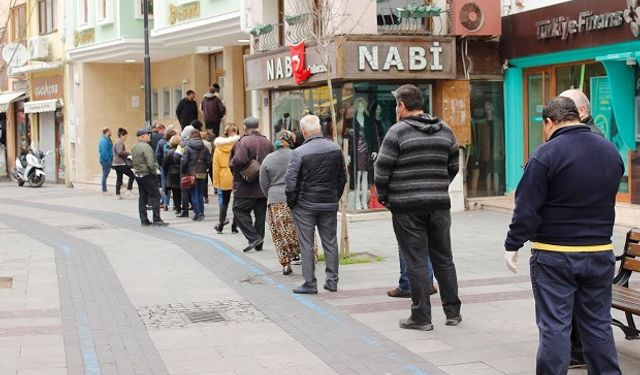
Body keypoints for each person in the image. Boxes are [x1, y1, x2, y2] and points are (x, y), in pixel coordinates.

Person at [504, 97, 623, 375]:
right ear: (577, 116)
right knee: (598, 325)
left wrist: (512, 244)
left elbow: (526, 208)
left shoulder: (546, 154)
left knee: (555, 327)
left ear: (549, 122)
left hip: (554, 255)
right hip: (599, 252)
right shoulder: (609, 151)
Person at [374, 84, 461, 331]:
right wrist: (438, 185)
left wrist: (385, 197)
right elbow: (454, 164)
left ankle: (421, 317)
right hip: (439, 204)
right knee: (444, 259)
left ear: (402, 106)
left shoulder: (397, 132)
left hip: (406, 206)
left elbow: (382, 169)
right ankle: (453, 312)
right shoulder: (445, 130)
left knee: (416, 261)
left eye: (396, 105)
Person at [559, 88, 602, 369]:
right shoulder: (584, 138)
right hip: (585, 233)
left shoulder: (590, 140)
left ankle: (580, 351)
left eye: (566, 111)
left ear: (582, 111)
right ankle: (579, 350)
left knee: (580, 300)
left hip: (583, 236)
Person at [285, 114, 347, 294]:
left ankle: (310, 283)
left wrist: (292, 202)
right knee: (330, 242)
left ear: (304, 132)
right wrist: (334, 197)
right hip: (328, 203)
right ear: (319, 129)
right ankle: (332, 281)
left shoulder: (299, 153)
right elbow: (342, 177)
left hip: (305, 205)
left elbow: (290, 182)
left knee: (306, 243)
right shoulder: (335, 149)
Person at [260, 130, 302, 275]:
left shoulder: (268, 159)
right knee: (299, 228)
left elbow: (263, 182)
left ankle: (285, 263)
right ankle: (302, 254)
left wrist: (270, 195)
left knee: (278, 233)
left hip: (275, 200)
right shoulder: (297, 155)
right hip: (296, 198)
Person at [230, 117, 274, 252]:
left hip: (246, 186)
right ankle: (258, 242)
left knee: (239, 210)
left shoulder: (244, 141)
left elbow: (239, 160)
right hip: (263, 185)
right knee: (260, 215)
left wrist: (231, 164)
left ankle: (254, 237)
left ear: (245, 127)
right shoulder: (267, 141)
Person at [131, 128, 168, 227]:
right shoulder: (146, 147)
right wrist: (154, 172)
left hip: (139, 174)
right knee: (156, 196)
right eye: (148, 135)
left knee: (142, 197)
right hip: (148, 175)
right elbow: (150, 162)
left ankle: (144, 220)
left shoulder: (134, 147)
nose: (149, 136)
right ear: (143, 136)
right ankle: (157, 219)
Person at [213, 123, 240, 234]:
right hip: (236, 174)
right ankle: (234, 227)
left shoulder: (219, 146)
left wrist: (216, 182)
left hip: (224, 174)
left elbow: (215, 166)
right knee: (237, 202)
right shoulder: (239, 144)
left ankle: (221, 224)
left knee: (224, 202)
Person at [181, 130, 211, 221]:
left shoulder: (187, 147)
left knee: (194, 192)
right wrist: (205, 168)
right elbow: (209, 161)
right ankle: (201, 212)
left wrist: (183, 171)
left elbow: (184, 161)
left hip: (191, 173)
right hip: (202, 173)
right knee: (200, 192)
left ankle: (197, 213)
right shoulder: (205, 148)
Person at [112, 128, 135, 199]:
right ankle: (129, 189)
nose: (126, 138)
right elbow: (120, 152)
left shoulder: (116, 142)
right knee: (132, 175)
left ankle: (118, 193)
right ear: (121, 135)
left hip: (116, 163)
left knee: (119, 178)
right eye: (125, 136)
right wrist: (128, 153)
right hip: (120, 163)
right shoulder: (119, 142)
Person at [163, 135, 182, 214]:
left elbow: (165, 164)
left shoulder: (169, 152)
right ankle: (183, 206)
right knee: (182, 191)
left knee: (175, 192)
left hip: (171, 174)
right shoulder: (182, 151)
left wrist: (166, 172)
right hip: (181, 173)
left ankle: (177, 208)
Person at [98, 127, 113, 195]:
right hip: (105, 161)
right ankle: (104, 190)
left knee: (105, 175)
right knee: (105, 175)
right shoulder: (104, 140)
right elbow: (104, 152)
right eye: (110, 131)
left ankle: (104, 190)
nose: (111, 132)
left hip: (107, 160)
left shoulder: (107, 139)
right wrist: (109, 161)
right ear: (107, 132)